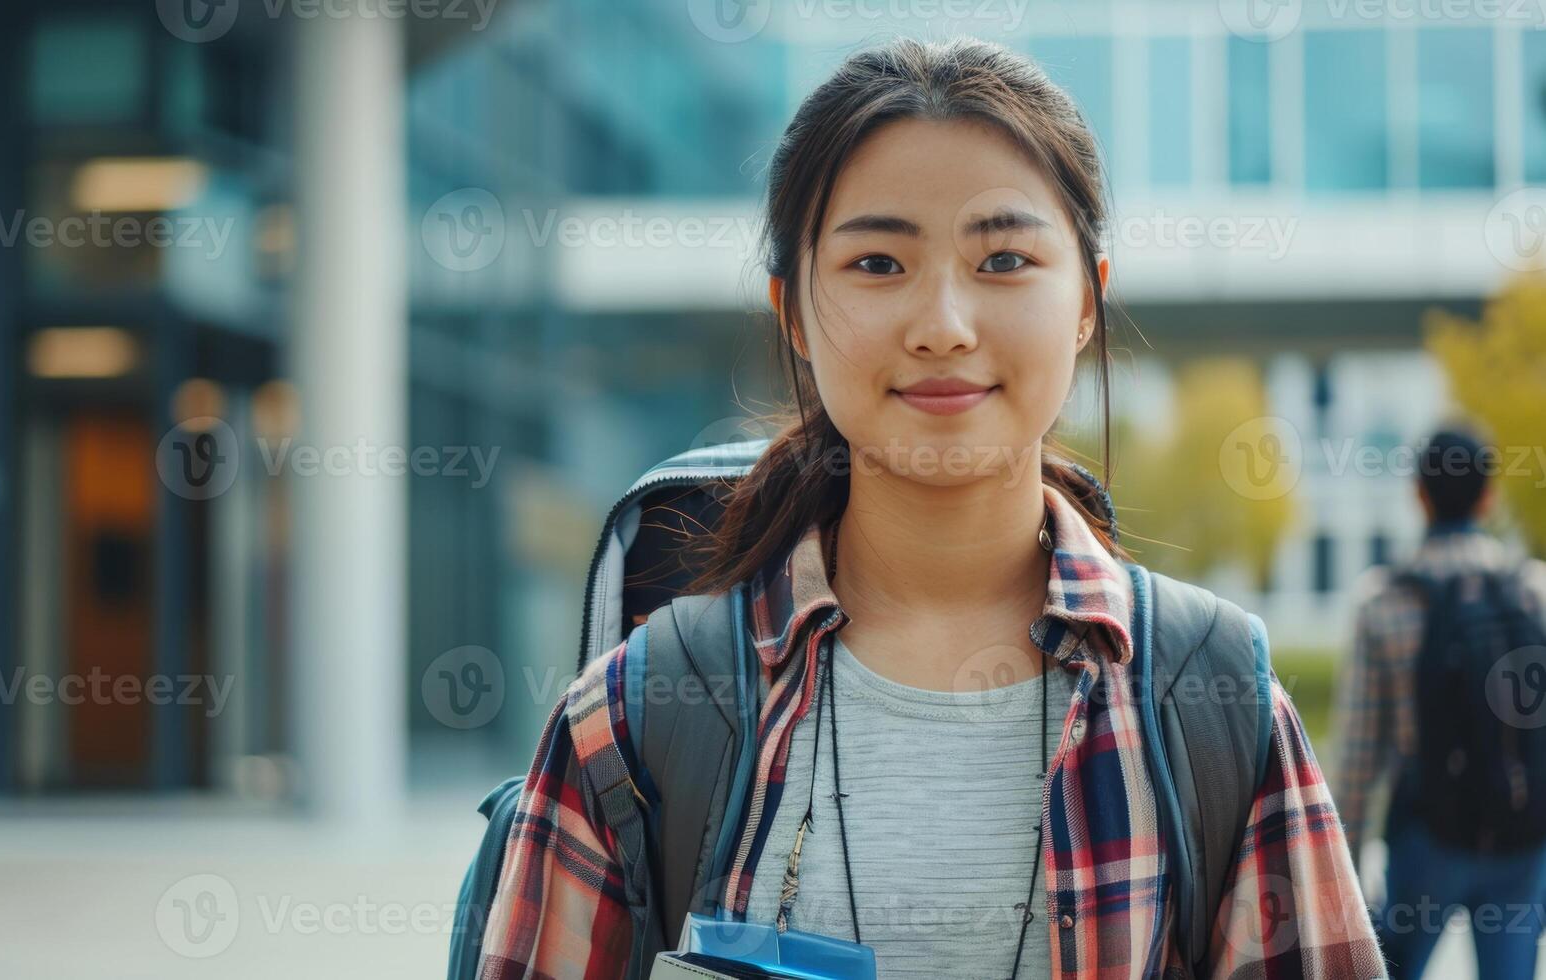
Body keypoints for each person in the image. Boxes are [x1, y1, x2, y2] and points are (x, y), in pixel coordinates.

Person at [477, 37, 1384, 979]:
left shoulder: (1215, 702)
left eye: (1002, 258)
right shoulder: (631, 717)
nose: (943, 326)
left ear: (1086, 302)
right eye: (876, 262)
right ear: (792, 310)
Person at [1331, 426, 1546, 980]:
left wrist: (1341, 882)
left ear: (1419, 494)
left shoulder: (1384, 602)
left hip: (1426, 838)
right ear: (1489, 495)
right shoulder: (1535, 592)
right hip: (1521, 842)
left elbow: (1358, 760)